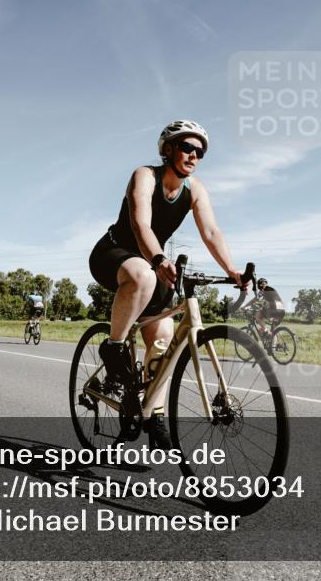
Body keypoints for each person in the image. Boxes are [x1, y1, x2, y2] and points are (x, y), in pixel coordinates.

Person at [89, 119, 246, 449]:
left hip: (152, 261)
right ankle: (114, 348)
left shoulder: (195, 190)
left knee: (163, 340)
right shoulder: (145, 176)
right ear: (169, 149)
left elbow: (211, 232)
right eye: (187, 147)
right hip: (115, 253)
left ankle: (153, 413)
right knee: (142, 275)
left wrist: (231, 269)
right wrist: (160, 259)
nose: (194, 155)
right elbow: (140, 224)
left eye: (200, 152)